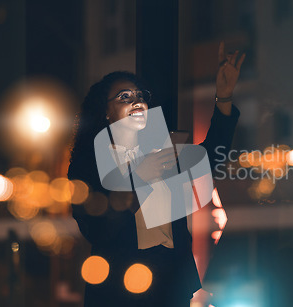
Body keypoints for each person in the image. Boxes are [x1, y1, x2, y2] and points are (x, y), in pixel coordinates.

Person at [67, 42, 245, 306]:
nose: (137, 101)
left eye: (140, 95)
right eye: (124, 96)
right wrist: (135, 178)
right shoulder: (89, 163)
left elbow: (211, 160)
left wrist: (224, 97)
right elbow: (96, 230)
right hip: (119, 289)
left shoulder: (160, 148)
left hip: (170, 285)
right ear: (105, 112)